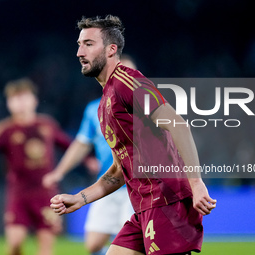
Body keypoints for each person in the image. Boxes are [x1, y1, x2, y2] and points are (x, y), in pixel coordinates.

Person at [50, 15, 217, 255]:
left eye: (88, 44)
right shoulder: (103, 104)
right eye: (79, 44)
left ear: (111, 49)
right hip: (144, 206)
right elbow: (119, 171)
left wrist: (196, 182)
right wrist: (81, 198)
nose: (79, 52)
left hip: (167, 201)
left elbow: (178, 125)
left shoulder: (127, 81)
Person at [43, 55, 136, 255]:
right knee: (93, 244)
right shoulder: (96, 109)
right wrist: (59, 172)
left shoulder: (145, 107)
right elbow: (81, 144)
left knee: (128, 243)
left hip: (136, 186)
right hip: (108, 180)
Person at [0, 78, 71, 255]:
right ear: (9, 103)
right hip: (18, 194)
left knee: (46, 247)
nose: (20, 103)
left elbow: (69, 146)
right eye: (15, 99)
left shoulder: (47, 125)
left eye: (23, 97)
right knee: (15, 243)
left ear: (34, 100)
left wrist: (88, 159)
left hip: (45, 192)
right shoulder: (4, 129)